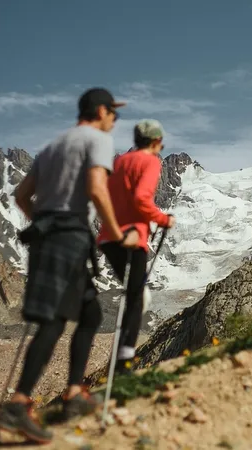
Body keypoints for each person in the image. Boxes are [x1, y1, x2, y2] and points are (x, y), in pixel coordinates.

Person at [0, 87, 136, 443]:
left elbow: (21, 196)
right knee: (56, 321)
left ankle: (73, 393)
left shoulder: (54, 145)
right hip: (70, 236)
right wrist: (117, 235)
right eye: (113, 113)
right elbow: (96, 189)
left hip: (49, 236)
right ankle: (19, 404)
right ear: (101, 111)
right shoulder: (97, 140)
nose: (116, 120)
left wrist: (44, 221)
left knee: (88, 314)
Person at [97, 119, 175, 375]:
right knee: (138, 297)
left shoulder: (118, 163)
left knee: (135, 295)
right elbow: (142, 198)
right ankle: (124, 362)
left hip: (108, 238)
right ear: (155, 142)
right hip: (133, 238)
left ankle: (122, 359)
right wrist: (163, 219)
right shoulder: (151, 161)